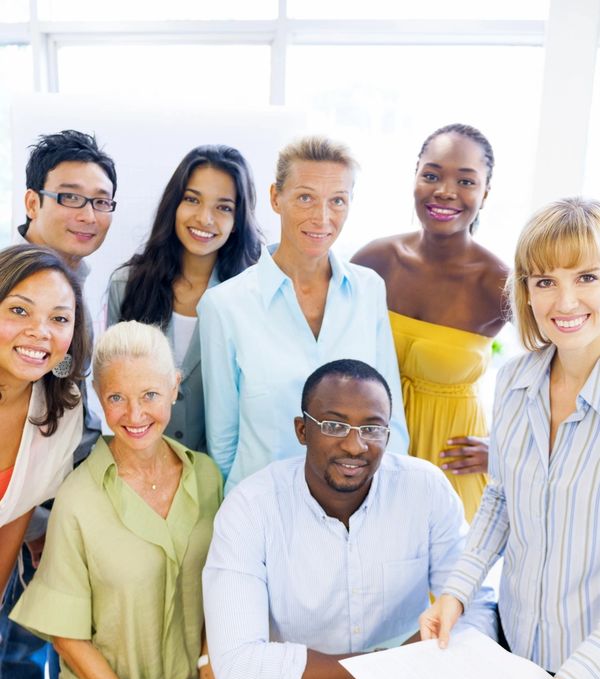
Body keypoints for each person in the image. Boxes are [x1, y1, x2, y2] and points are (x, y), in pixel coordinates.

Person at [203, 359, 495, 679]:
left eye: (373, 428)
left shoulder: (425, 488)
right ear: (302, 430)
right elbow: (236, 668)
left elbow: (479, 605)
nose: (356, 446)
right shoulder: (250, 509)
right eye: (335, 426)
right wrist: (386, 666)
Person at [419, 198, 600, 679]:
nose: (563, 300)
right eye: (543, 281)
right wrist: (456, 591)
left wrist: (576, 677)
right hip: (520, 654)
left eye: (587, 276)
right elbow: (500, 498)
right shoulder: (514, 381)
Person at [11, 321, 223, 679]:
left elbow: (221, 589)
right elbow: (67, 638)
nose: (135, 414)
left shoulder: (207, 478)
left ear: (174, 386)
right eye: (116, 398)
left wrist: (210, 673)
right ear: (98, 398)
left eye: (150, 395)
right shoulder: (77, 498)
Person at [199, 135, 409, 493]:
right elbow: (223, 445)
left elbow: (391, 424)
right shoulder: (224, 306)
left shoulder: (369, 290)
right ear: (275, 198)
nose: (322, 217)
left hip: (355, 510)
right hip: (262, 513)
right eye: (305, 197)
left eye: (337, 201)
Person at [3, 129, 118, 679]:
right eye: (70, 198)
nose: (87, 214)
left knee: (34, 664)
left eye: (101, 202)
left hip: (38, 515)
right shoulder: (11, 284)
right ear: (31, 202)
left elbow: (71, 414)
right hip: (25, 521)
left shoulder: (90, 284)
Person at [352, 123, 508, 523]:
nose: (445, 191)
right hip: (369, 462)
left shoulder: (500, 283)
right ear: (416, 178)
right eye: (432, 175)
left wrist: (505, 447)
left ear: (485, 193)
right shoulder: (375, 261)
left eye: (466, 181)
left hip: (451, 469)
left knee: (445, 587)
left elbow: (565, 369)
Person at [0, 243, 103, 679]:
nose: (40, 332)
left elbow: (13, 519)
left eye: (58, 318)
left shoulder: (56, 414)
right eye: (19, 311)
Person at [107, 144, 261, 450]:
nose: (205, 218)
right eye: (192, 199)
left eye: (224, 207)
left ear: (237, 221)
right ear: (174, 205)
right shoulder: (126, 285)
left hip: (220, 478)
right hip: (141, 467)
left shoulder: (254, 298)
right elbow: (114, 386)